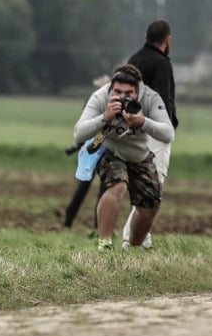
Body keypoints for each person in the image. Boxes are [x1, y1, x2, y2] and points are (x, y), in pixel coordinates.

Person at [70, 63, 174, 252]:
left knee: (150, 205)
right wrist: (105, 117)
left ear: (138, 91)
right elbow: (78, 133)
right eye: (117, 91)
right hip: (111, 150)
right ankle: (105, 244)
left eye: (129, 93)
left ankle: (133, 248)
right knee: (117, 185)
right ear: (111, 88)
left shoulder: (151, 98)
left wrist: (143, 121)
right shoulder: (101, 97)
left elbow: (168, 134)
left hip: (140, 155)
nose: (122, 97)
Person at [123, 19, 178, 249]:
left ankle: (143, 240)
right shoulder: (162, 64)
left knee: (141, 186)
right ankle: (131, 240)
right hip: (154, 132)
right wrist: (168, 127)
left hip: (132, 130)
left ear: (146, 37)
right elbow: (162, 102)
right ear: (167, 40)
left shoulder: (134, 60)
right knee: (153, 187)